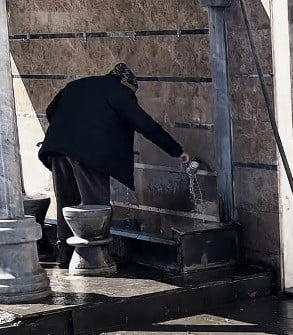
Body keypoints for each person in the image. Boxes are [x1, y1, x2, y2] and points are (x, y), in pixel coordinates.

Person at [39, 63, 190, 267]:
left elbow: (50, 111)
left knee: (67, 202)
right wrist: (177, 150)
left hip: (57, 147)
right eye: (132, 93)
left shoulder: (77, 85)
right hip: (89, 154)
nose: (132, 97)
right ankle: (96, 257)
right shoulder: (119, 90)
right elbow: (145, 124)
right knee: (96, 204)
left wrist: (69, 130)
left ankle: (65, 254)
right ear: (126, 82)